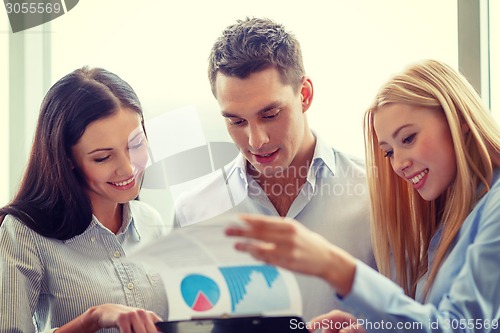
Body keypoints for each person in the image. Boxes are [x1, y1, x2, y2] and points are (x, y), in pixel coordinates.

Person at [226, 59, 500, 332]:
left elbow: (462, 326)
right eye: (389, 152)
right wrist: (374, 327)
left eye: (408, 139)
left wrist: (336, 267)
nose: (399, 164)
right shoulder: (452, 217)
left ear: (459, 120)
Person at [173, 17, 376, 321]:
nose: (256, 140)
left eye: (270, 114)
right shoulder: (193, 212)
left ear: (304, 95)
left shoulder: (378, 195)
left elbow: (417, 317)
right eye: (236, 121)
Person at [0, 67, 169, 332]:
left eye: (136, 145)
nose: (127, 169)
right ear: (66, 160)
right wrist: (93, 319)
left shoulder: (151, 220)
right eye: (103, 157)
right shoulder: (23, 233)